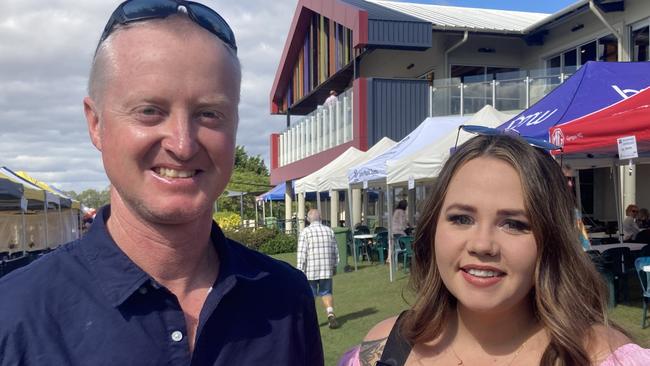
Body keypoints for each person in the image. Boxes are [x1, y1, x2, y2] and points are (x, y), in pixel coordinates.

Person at [0, 2, 323, 365]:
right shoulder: (16, 318)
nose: (182, 144)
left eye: (209, 114)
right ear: (96, 124)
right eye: (150, 111)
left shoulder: (285, 298)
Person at [341, 134, 650, 366]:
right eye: (461, 218)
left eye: (514, 224)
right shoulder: (383, 350)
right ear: (433, 228)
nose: (482, 245)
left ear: (551, 239)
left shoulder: (604, 358)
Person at [298, 209, 340, 329]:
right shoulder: (329, 231)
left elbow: (302, 253)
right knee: (326, 292)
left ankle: (309, 321)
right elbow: (335, 251)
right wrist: (334, 266)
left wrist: (300, 270)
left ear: (308, 219)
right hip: (326, 269)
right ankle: (330, 313)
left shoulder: (305, 232)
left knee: (310, 295)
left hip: (310, 270)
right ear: (320, 217)